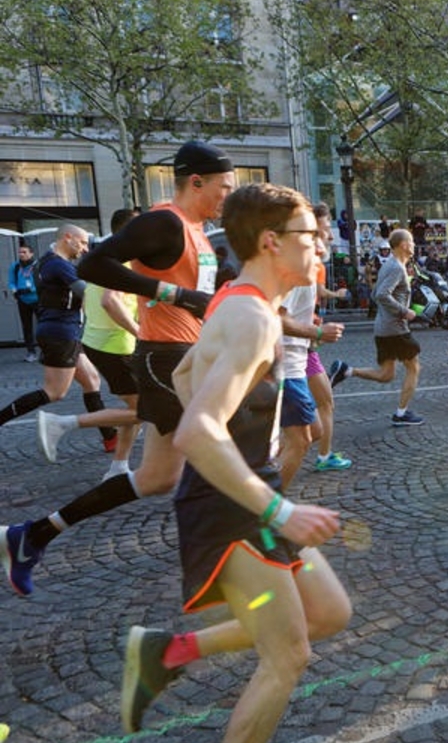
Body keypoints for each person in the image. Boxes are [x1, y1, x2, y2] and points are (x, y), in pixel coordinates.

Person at [119, 182, 350, 738]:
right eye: (310, 237)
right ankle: (164, 652)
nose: (320, 247)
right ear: (271, 241)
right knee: (288, 657)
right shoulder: (253, 318)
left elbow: (182, 376)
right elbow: (196, 430)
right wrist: (276, 510)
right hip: (232, 510)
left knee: (330, 612)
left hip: (243, 491)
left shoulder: (237, 299)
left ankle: (167, 651)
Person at [0, 139, 233, 597]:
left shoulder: (199, 231)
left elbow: (200, 292)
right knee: (227, 444)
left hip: (183, 355)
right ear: (196, 181)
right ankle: (221, 561)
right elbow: (93, 263)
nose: (227, 195)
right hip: (166, 359)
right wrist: (176, 296)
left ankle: (32, 535)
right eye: (223, 187)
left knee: (158, 477)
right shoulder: (165, 221)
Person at [37, 209, 143, 481]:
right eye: (144, 227)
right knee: (142, 409)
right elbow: (109, 301)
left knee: (130, 405)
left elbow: (92, 298)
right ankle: (61, 423)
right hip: (112, 343)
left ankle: (118, 463)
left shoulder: (103, 256)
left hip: (95, 339)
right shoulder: (123, 260)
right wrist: (139, 330)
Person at [0, 225, 114, 453]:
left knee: (92, 380)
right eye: (81, 243)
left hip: (63, 331)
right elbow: (88, 294)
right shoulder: (58, 265)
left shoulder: (48, 261)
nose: (83, 249)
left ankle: (111, 438)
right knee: (54, 392)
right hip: (60, 333)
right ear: (67, 238)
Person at [277, 204, 349, 487]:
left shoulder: (308, 272)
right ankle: (265, 510)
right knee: (303, 438)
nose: (328, 239)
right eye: (321, 233)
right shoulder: (298, 275)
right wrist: (316, 331)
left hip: (295, 359)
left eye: (327, 232)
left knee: (313, 430)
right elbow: (276, 317)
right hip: (285, 365)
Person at [327, 229, 424, 426]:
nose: (414, 245)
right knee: (414, 367)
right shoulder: (396, 267)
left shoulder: (390, 265)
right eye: (411, 242)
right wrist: (403, 311)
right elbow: (381, 295)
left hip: (384, 327)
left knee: (386, 374)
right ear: (403, 245)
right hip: (396, 328)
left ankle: (347, 370)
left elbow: (375, 295)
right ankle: (401, 414)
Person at [8, 242, 39, 362]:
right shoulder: (15, 266)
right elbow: (11, 281)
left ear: (31, 253)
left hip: (37, 300)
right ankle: (31, 352)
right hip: (23, 301)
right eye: (20, 252)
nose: (21, 254)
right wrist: (15, 290)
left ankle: (46, 352)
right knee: (27, 327)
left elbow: (43, 282)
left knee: (43, 326)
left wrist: (31, 289)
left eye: (24, 252)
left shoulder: (38, 265)